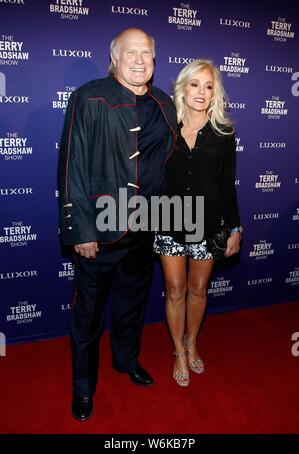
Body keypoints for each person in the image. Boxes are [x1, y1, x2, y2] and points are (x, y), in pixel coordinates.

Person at [58, 28, 177, 420]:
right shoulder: (89, 97)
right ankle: (83, 388)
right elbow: (72, 166)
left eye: (148, 53)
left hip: (145, 230)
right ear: (114, 57)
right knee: (88, 315)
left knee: (132, 307)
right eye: (132, 52)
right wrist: (81, 231)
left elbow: (170, 163)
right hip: (101, 232)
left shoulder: (163, 103)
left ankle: (126, 362)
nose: (141, 60)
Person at [153, 59, 242, 387]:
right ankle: (177, 350)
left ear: (215, 93)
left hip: (207, 223)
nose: (201, 92)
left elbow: (227, 182)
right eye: (195, 84)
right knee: (174, 289)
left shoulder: (223, 133)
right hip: (168, 219)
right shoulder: (165, 127)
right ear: (183, 88)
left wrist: (235, 227)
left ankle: (192, 343)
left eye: (208, 86)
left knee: (198, 289)